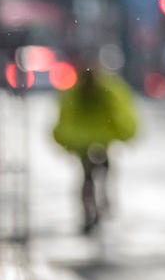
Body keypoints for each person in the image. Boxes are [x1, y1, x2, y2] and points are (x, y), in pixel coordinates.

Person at [52, 61, 137, 233]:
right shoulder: (108, 90)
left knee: (86, 178)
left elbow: (64, 119)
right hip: (102, 139)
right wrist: (125, 134)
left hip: (82, 141)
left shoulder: (74, 92)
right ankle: (103, 201)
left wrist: (65, 141)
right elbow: (121, 114)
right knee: (103, 170)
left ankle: (89, 212)